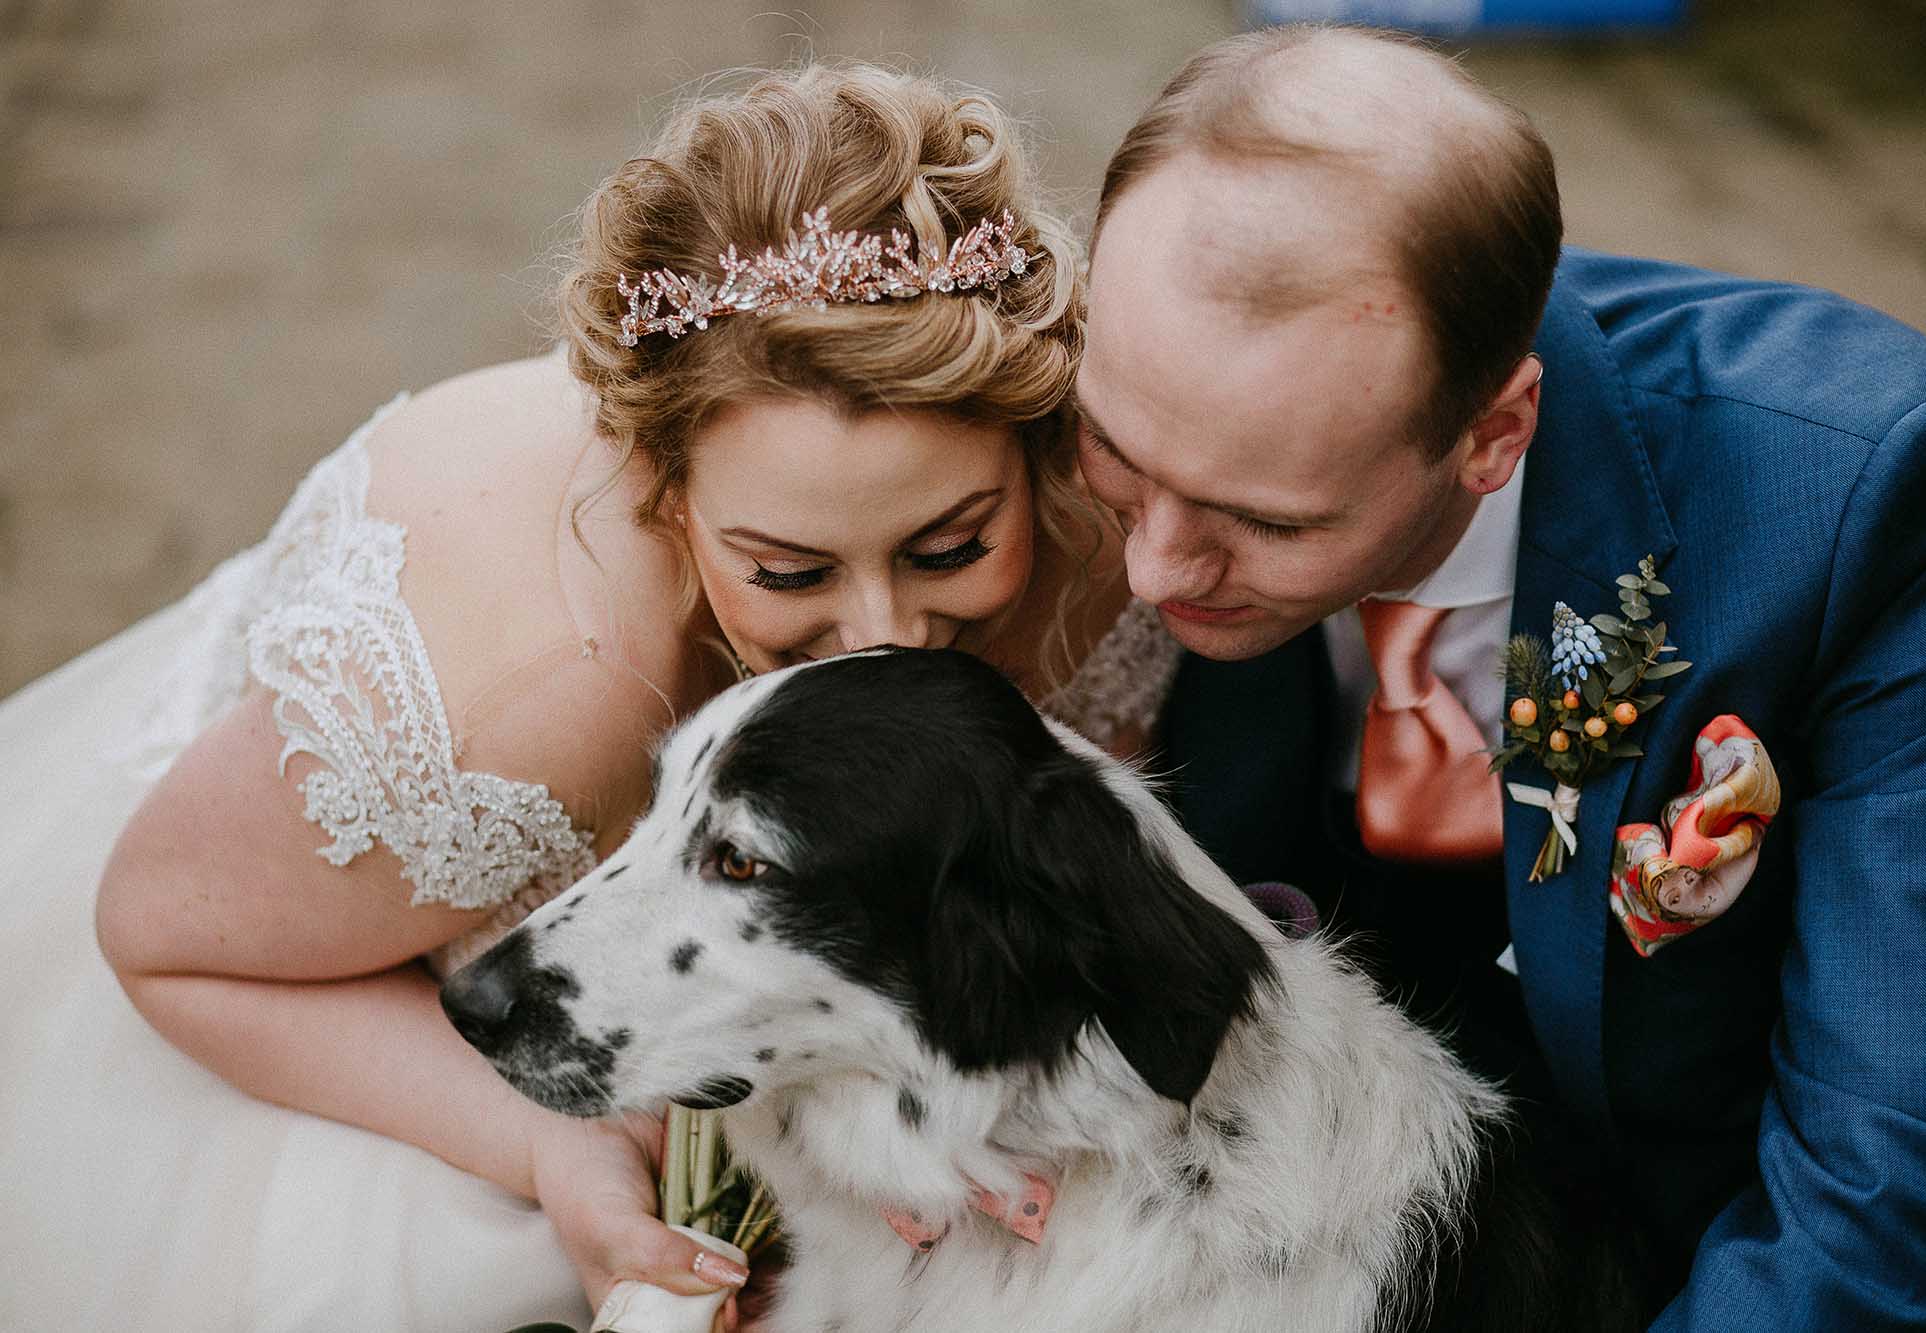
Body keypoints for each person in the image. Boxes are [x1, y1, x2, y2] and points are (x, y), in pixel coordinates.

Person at [0, 63, 1181, 1331]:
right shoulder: (542, 702)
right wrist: (555, 1148)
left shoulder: (1102, 539)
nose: (883, 638)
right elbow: (165, 935)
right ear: (662, 495)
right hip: (341, 968)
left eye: (950, 545)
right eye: (786, 572)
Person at [1075, 24, 1926, 1330]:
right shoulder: (1088, 374)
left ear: (1493, 434)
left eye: (1271, 523)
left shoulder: (1867, 503)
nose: (1156, 571)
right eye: (1112, 447)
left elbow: (1883, 1210)